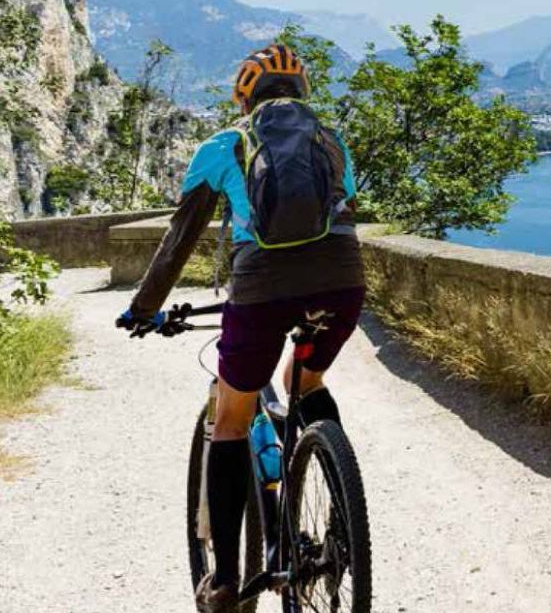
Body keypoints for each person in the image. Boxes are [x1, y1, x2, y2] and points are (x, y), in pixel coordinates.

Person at [115, 44, 366, 612]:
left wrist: (144, 307)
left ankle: (226, 579)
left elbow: (181, 236)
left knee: (231, 419)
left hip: (260, 293)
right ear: (302, 93)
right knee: (307, 376)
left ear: (244, 94)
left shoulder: (223, 145)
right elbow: (345, 217)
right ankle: (337, 491)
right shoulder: (332, 141)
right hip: (341, 285)